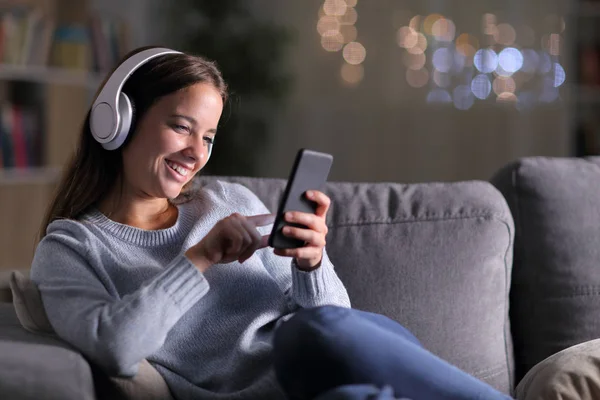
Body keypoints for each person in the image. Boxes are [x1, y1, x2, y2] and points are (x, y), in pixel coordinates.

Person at [30, 46, 513, 400]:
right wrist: (198, 258)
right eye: (181, 126)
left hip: (323, 359)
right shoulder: (71, 248)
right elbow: (116, 348)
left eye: (209, 137)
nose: (197, 154)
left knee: (314, 332)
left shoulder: (226, 201)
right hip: (279, 391)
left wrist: (311, 264)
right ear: (118, 120)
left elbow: (335, 321)